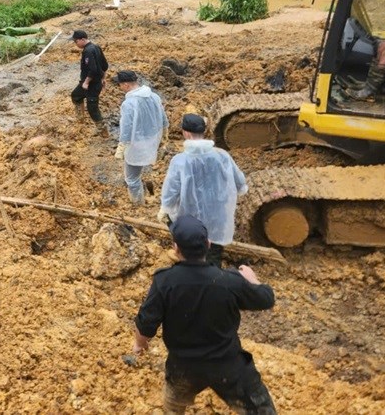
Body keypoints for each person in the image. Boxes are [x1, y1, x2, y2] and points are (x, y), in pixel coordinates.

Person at [132, 215, 277, 414]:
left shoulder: (164, 282)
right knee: (262, 409)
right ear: (208, 244)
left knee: (173, 406)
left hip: (183, 367)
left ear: (176, 248)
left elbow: (145, 324)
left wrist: (140, 344)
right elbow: (266, 299)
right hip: (228, 365)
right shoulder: (229, 281)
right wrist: (252, 280)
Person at [159, 114, 247, 267]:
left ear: (185, 133)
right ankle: (213, 272)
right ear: (203, 132)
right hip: (218, 217)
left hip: (190, 219)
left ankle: (190, 269)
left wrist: (165, 209)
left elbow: (170, 192)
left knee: (190, 249)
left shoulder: (180, 161)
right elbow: (240, 184)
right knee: (214, 252)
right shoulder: (222, 155)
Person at [113, 70, 169, 205]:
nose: (120, 88)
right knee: (144, 163)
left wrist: (122, 145)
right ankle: (146, 185)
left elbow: (127, 127)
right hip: (152, 140)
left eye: (120, 85)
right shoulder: (154, 96)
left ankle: (138, 204)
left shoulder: (129, 103)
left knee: (131, 178)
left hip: (136, 144)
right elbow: (163, 117)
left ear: (126, 85)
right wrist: (165, 133)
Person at [70, 29, 108, 135]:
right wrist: (103, 78)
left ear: (82, 39)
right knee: (76, 96)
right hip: (92, 82)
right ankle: (80, 118)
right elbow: (105, 65)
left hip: (92, 84)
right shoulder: (96, 47)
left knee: (93, 109)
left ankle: (103, 131)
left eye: (76, 41)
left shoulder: (88, 51)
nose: (75, 44)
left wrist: (86, 82)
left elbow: (93, 69)